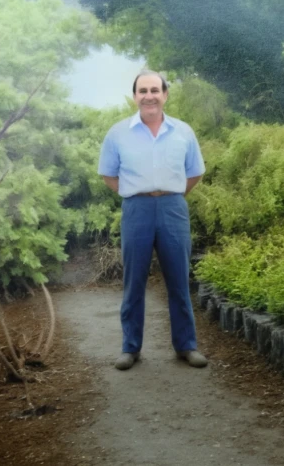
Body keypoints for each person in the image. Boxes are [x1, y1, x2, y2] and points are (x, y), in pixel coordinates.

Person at [98, 70, 208, 371]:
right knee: (133, 282)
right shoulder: (118, 133)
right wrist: (134, 194)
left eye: (155, 90)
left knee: (179, 280)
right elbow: (108, 173)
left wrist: (171, 195)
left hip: (173, 208)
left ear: (165, 95)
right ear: (135, 96)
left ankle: (186, 346)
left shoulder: (183, 132)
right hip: (137, 210)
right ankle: (130, 348)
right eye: (143, 90)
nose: (149, 96)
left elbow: (195, 171)